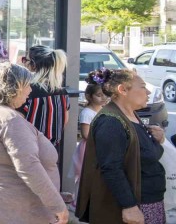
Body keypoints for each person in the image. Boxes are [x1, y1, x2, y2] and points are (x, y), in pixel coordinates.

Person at [0, 61, 68, 224]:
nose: (30, 91)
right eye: (27, 86)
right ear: (14, 87)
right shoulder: (9, 120)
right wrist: (57, 205)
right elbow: (29, 167)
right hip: (10, 212)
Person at [76, 68, 166, 224]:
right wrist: (130, 206)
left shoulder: (129, 115)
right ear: (122, 89)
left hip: (149, 200)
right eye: (143, 87)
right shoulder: (111, 122)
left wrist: (158, 139)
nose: (149, 92)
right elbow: (111, 168)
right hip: (135, 205)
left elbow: (149, 153)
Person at [18, 45, 70, 148]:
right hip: (52, 149)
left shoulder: (28, 91)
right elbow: (64, 121)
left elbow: (18, 122)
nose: (23, 63)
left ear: (33, 65)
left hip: (30, 149)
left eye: (25, 60)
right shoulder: (62, 93)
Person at [69, 77, 107, 209]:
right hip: (89, 149)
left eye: (104, 94)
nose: (103, 98)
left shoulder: (103, 110)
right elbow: (85, 134)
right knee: (85, 175)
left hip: (99, 147)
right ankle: (79, 202)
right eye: (99, 95)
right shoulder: (87, 113)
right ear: (89, 96)